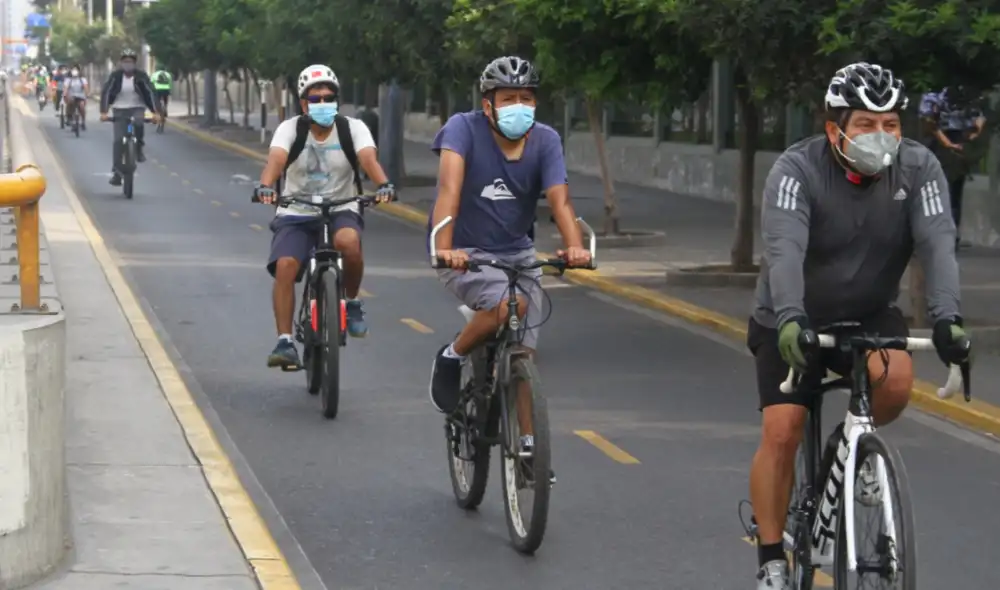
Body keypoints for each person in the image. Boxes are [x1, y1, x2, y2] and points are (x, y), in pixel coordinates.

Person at [747, 62, 971, 589]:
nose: (881, 136)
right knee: (783, 429)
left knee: (896, 381)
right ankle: (772, 559)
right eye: (867, 124)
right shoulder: (796, 170)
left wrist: (949, 318)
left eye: (890, 124)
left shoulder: (919, 168)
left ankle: (854, 451)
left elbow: (938, 243)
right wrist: (790, 317)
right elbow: (784, 249)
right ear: (835, 129)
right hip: (792, 316)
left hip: (868, 311)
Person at [426, 56, 590, 482]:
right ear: (488, 105)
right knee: (505, 306)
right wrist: (445, 249)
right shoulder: (462, 130)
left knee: (524, 355)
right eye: (509, 98)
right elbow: (449, 190)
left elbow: (560, 200)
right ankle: (452, 355)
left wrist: (575, 247)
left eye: (527, 98)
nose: (520, 106)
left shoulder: (546, 140)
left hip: (519, 255)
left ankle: (528, 450)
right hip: (466, 253)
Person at [252, 64, 395, 369]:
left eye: (328, 98)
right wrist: (265, 186)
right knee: (286, 265)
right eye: (315, 99)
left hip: (342, 206)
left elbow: (368, 159)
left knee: (349, 243)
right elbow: (276, 160)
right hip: (297, 209)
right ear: (303, 104)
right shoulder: (290, 129)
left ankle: (351, 302)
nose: (322, 104)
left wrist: (384, 184)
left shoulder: (353, 128)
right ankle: (285, 341)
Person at [919, 85, 986, 248]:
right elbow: (930, 124)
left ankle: (948, 235)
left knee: (952, 192)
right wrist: (950, 143)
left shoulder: (966, 95)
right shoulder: (935, 95)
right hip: (942, 144)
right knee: (941, 192)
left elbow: (979, 119)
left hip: (954, 143)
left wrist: (970, 136)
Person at [99, 48, 159, 186]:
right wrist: (104, 112)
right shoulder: (116, 76)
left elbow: (151, 92)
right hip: (119, 110)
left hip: (137, 107)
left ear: (135, 63)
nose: (128, 64)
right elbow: (106, 92)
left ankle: (138, 148)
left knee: (138, 123)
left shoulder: (141, 76)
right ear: (121, 63)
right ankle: (117, 172)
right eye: (125, 61)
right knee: (118, 141)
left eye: (130, 61)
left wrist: (156, 112)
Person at [64, 64, 89, 130]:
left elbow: (86, 87)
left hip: (81, 96)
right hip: (72, 96)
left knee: (82, 106)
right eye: (73, 70)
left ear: (79, 71)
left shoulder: (82, 79)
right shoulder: (68, 80)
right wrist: (65, 95)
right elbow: (66, 88)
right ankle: (69, 117)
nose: (74, 71)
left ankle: (83, 121)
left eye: (76, 70)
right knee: (70, 103)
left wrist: (86, 95)